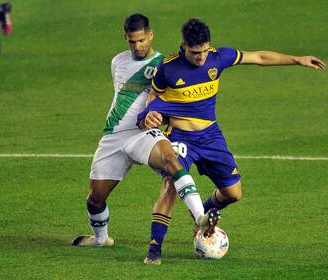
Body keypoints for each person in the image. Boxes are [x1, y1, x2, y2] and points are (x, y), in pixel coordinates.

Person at [138, 18, 326, 264]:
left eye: (205, 51)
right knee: (171, 186)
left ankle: (201, 215)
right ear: (184, 45)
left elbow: (258, 57)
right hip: (180, 137)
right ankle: (154, 251)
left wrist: (297, 60)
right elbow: (154, 94)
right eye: (196, 53)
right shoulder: (168, 68)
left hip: (211, 136)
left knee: (233, 193)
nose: (201, 57)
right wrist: (151, 113)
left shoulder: (218, 57)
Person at [72, 14, 220, 265]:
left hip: (143, 134)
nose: (137, 46)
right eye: (132, 42)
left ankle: (200, 216)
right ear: (126, 39)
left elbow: (177, 102)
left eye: (141, 40)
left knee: (172, 161)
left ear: (150, 35)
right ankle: (100, 239)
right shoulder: (117, 62)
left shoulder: (166, 65)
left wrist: (160, 119)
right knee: (95, 199)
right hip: (114, 136)